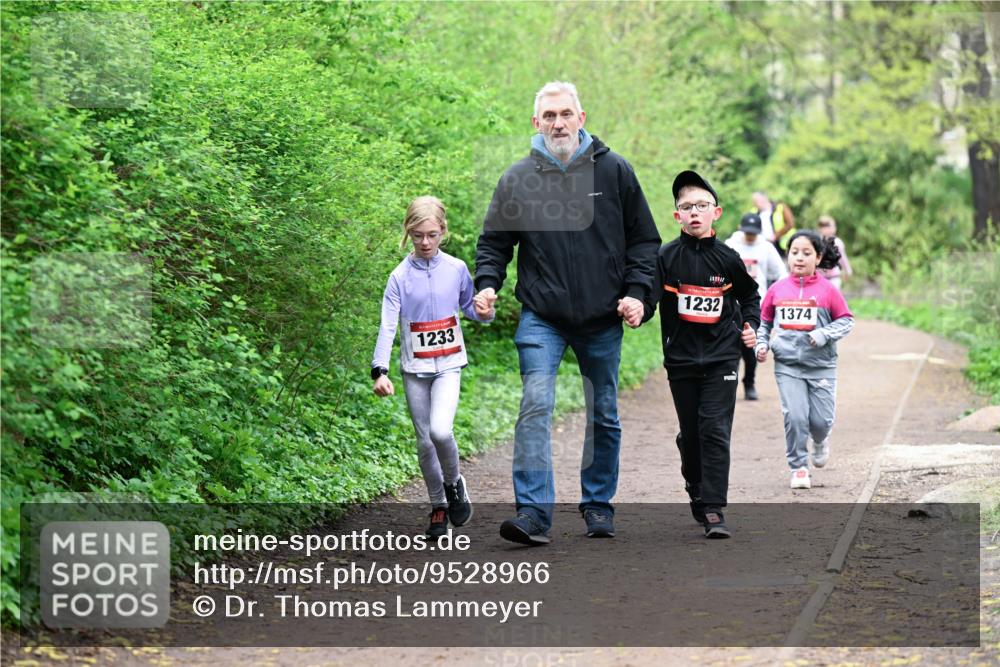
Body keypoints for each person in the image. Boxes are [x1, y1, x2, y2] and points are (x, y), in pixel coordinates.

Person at [473, 81, 661, 545]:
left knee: (604, 412)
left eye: (565, 114)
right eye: (549, 116)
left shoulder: (614, 171)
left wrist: (638, 294)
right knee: (536, 404)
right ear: (536, 123)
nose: (558, 123)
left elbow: (644, 241)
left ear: (581, 117)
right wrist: (488, 284)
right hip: (543, 316)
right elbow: (495, 242)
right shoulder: (518, 178)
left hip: (602, 316)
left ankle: (597, 504)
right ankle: (534, 512)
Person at [642, 171, 760, 538]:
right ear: (677, 215)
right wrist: (637, 309)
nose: (694, 212)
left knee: (715, 429)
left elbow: (750, 296)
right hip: (681, 360)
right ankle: (694, 481)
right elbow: (648, 297)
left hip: (723, 356)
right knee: (692, 435)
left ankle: (713, 508)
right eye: (687, 207)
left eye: (702, 206)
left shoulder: (728, 258)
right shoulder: (666, 257)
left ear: (716, 212)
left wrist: (751, 324)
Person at [372, 196, 494, 537]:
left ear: (443, 231)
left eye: (432, 235)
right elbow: (387, 325)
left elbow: (470, 307)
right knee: (425, 441)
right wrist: (380, 370)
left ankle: (454, 484)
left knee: (441, 431)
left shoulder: (456, 269)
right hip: (415, 369)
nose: (425, 242)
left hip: (448, 365)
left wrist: (485, 312)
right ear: (408, 232)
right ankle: (438, 507)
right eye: (417, 236)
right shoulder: (399, 277)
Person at [755, 230, 855, 490]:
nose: (799, 258)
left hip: (821, 365)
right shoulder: (777, 289)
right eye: (794, 252)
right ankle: (799, 467)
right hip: (787, 365)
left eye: (806, 253)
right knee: (796, 417)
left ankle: (820, 441)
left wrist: (823, 334)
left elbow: (846, 321)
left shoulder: (828, 290)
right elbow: (764, 324)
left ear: (818, 257)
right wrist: (761, 344)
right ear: (788, 256)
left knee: (820, 423)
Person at [726, 212, 787, 400]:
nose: (750, 236)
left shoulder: (766, 248)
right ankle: (729, 384)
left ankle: (749, 383)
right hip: (731, 304)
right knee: (731, 346)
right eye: (747, 232)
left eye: (753, 233)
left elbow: (781, 273)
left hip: (755, 303)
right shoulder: (731, 245)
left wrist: (774, 296)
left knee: (751, 346)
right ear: (741, 229)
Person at [751, 191, 797, 257]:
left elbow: (790, 224)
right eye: (755, 201)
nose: (756, 203)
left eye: (758, 200)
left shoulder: (780, 207)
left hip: (783, 245)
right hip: (763, 245)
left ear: (765, 198)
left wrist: (775, 236)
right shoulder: (754, 212)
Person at [816, 215, 853, 290]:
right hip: (820, 278)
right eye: (825, 226)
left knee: (834, 294)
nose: (833, 228)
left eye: (833, 226)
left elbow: (842, 258)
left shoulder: (837, 242)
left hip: (834, 277)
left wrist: (848, 271)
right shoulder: (817, 242)